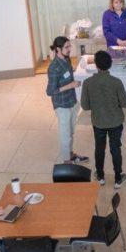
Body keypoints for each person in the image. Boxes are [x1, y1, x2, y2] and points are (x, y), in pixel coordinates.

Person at [78, 50, 126, 189]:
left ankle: (100, 176)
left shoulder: (88, 83)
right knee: (115, 148)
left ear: (96, 65)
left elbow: (85, 106)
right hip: (116, 121)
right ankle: (118, 178)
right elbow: (125, 103)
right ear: (110, 64)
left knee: (99, 148)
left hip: (98, 122)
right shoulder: (116, 82)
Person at [46, 36, 87, 165]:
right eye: (67, 47)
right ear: (58, 49)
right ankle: (66, 161)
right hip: (62, 105)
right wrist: (70, 85)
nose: (70, 49)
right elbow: (50, 91)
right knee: (65, 134)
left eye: (70, 46)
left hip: (72, 101)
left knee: (71, 131)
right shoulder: (53, 68)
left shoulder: (67, 60)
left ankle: (70, 154)